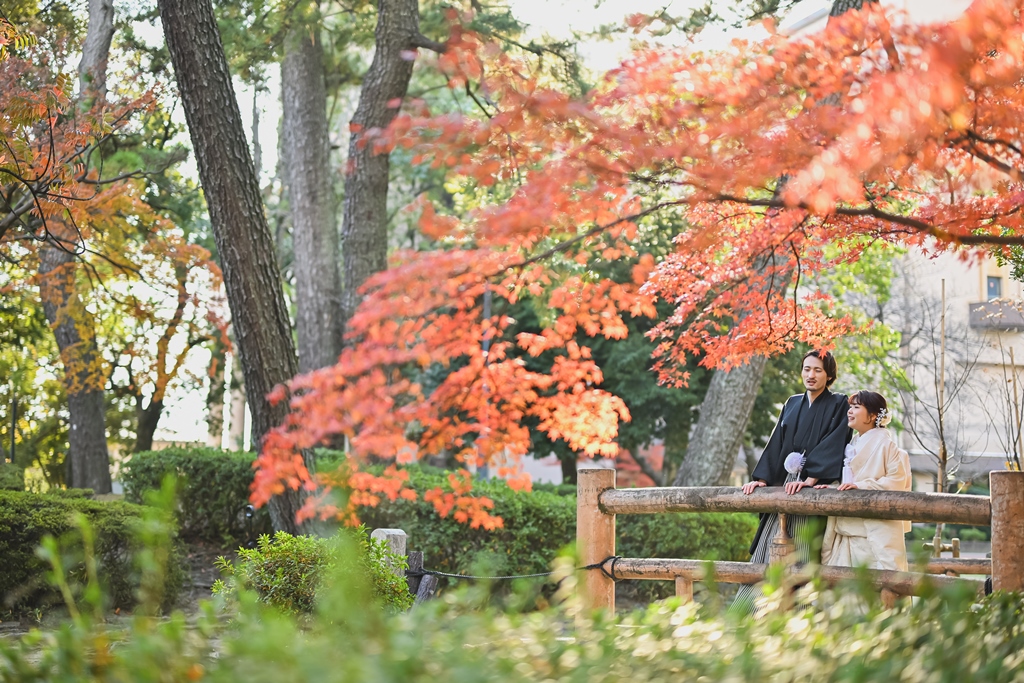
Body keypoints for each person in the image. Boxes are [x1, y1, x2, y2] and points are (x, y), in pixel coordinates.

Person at [732, 350, 851, 612]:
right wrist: (762, 479)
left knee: (804, 547)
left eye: (818, 370)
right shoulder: (792, 402)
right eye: (806, 369)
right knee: (768, 546)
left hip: (811, 483)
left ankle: (802, 614)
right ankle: (752, 612)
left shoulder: (839, 403)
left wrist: (810, 479)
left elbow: (834, 442)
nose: (811, 375)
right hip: (787, 482)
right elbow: (777, 444)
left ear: (829, 374)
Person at [816, 391, 911, 576]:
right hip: (847, 530)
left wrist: (861, 486)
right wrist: (832, 488)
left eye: (856, 407)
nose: (850, 411)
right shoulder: (852, 443)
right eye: (850, 407)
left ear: (873, 415)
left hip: (873, 533)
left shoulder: (887, 445)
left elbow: (896, 481)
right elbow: (847, 480)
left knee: (875, 591)